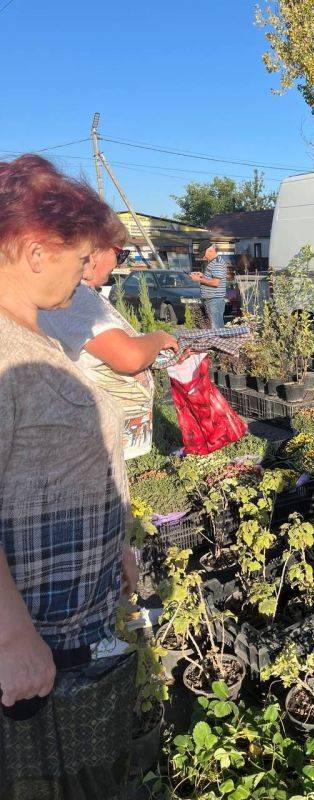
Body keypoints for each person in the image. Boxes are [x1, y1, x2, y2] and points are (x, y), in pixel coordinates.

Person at [0, 155, 138, 796]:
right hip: (35, 630)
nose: (87, 274)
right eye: (81, 258)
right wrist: (11, 637)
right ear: (34, 251)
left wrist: (118, 551)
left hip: (67, 619)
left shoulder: (33, 335)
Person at [38, 220, 179, 460]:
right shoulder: (74, 295)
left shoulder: (73, 291)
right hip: (94, 442)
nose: (119, 262)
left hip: (96, 438)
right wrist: (158, 338)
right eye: (119, 253)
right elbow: (129, 358)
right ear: (93, 251)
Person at [189, 243, 228, 327]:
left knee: (216, 327)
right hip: (212, 300)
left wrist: (199, 279)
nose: (203, 257)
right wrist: (203, 275)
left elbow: (215, 282)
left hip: (214, 300)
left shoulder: (217, 263)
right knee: (213, 326)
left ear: (210, 250)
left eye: (204, 255)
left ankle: (219, 340)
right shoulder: (212, 262)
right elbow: (213, 278)